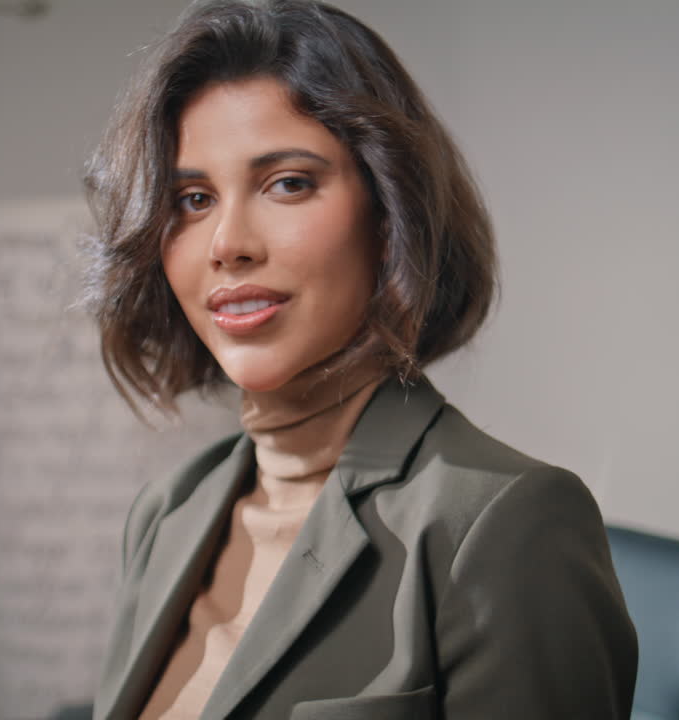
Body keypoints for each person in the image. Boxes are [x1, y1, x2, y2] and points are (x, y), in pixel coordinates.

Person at [82, 1, 638, 718]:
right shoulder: (166, 513)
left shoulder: (507, 524)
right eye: (191, 198)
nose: (227, 242)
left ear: (388, 214)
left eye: (287, 182)